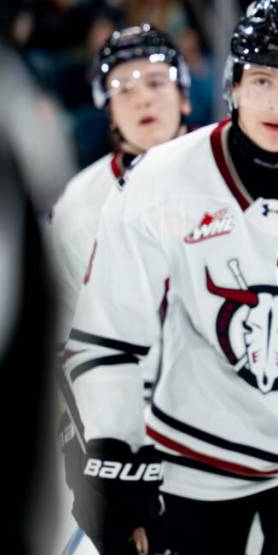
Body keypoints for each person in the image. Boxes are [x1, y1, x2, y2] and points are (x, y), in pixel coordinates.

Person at [63, 0, 278, 555]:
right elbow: (106, 337)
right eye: (263, 79)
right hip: (193, 449)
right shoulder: (161, 180)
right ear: (232, 84)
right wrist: (111, 454)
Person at [49, 24, 191, 387]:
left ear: (184, 97)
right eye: (123, 88)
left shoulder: (236, 171)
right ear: (109, 112)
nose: (142, 98)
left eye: (157, 82)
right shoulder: (78, 207)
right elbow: (64, 331)